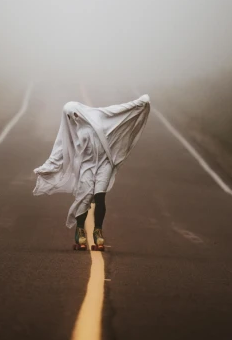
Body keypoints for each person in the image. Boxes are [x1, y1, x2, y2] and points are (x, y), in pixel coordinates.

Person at [33, 94, 150, 248]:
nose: (73, 118)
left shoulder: (100, 115)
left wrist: (140, 102)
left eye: (74, 114)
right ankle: (80, 231)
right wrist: (46, 168)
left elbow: (118, 111)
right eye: (69, 117)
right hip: (86, 165)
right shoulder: (72, 130)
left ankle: (98, 231)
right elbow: (59, 151)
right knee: (85, 196)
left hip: (105, 163)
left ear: (79, 111)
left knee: (100, 196)